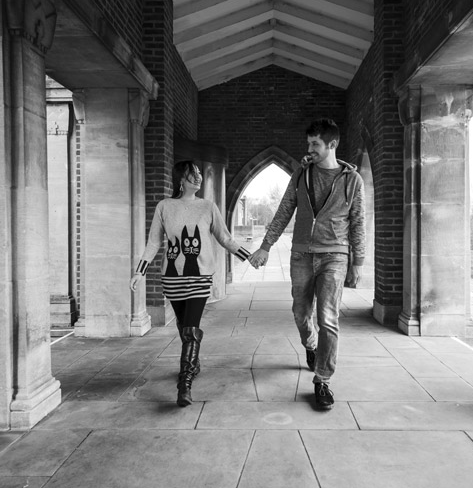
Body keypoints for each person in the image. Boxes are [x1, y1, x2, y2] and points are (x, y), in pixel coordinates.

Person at [248, 118, 365, 410]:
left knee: (328, 318)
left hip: (335, 256)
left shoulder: (352, 180)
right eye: (308, 143)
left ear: (331, 145)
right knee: (301, 313)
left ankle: (322, 380)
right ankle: (310, 345)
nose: (309, 148)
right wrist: (265, 246)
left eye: (315, 144)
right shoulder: (302, 173)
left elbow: (358, 223)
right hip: (301, 254)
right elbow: (285, 209)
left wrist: (358, 262)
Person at [130, 161, 254, 407]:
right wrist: (139, 271)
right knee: (184, 327)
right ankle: (193, 363)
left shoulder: (208, 207)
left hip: (200, 277)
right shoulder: (165, 206)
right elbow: (154, 242)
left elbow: (224, 237)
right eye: (192, 175)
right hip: (173, 278)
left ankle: (184, 383)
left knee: (190, 329)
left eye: (198, 174)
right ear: (181, 180)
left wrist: (248, 255)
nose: (198, 178)